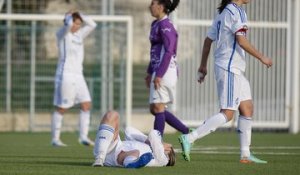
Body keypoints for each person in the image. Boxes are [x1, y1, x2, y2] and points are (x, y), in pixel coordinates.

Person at [179, 0, 273, 163]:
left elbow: (208, 41)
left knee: (247, 108)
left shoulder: (222, 13)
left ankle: (245, 154)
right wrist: (262, 57)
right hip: (229, 68)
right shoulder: (237, 11)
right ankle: (190, 137)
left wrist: (203, 66)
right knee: (228, 113)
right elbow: (241, 41)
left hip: (233, 69)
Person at [51, 10, 97, 147]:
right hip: (66, 75)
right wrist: (68, 15)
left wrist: (80, 13)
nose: (76, 26)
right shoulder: (62, 33)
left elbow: (92, 24)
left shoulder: (79, 35)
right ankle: (55, 139)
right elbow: (68, 24)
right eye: (75, 23)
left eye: (79, 24)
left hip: (79, 75)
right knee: (62, 108)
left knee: (86, 104)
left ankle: (83, 137)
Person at [145, 0, 190, 137]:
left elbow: (169, 51)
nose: (150, 6)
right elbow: (155, 50)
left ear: (161, 6)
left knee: (158, 107)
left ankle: (157, 146)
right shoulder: (156, 24)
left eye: (153, 3)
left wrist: (159, 74)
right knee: (154, 108)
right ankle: (186, 132)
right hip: (158, 70)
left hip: (165, 71)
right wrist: (149, 71)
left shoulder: (166, 25)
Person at [92, 110, 176, 168]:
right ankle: (100, 158)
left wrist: (160, 143)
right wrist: (147, 141)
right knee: (112, 115)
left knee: (135, 152)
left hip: (120, 158)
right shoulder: (150, 146)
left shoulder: (162, 159)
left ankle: (131, 163)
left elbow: (154, 133)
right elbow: (129, 131)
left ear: (168, 153)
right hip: (110, 146)